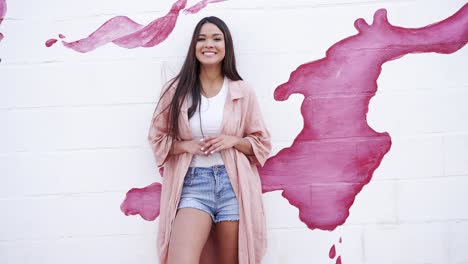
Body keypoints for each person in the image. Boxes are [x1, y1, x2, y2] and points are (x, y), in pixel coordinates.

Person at [148, 16, 271, 264]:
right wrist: (186, 146)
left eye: (217, 38)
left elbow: (261, 143)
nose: (209, 44)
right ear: (194, 46)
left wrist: (233, 140)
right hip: (194, 185)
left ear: (226, 47)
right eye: (201, 39)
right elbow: (157, 138)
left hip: (233, 186)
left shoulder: (241, 90)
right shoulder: (175, 90)